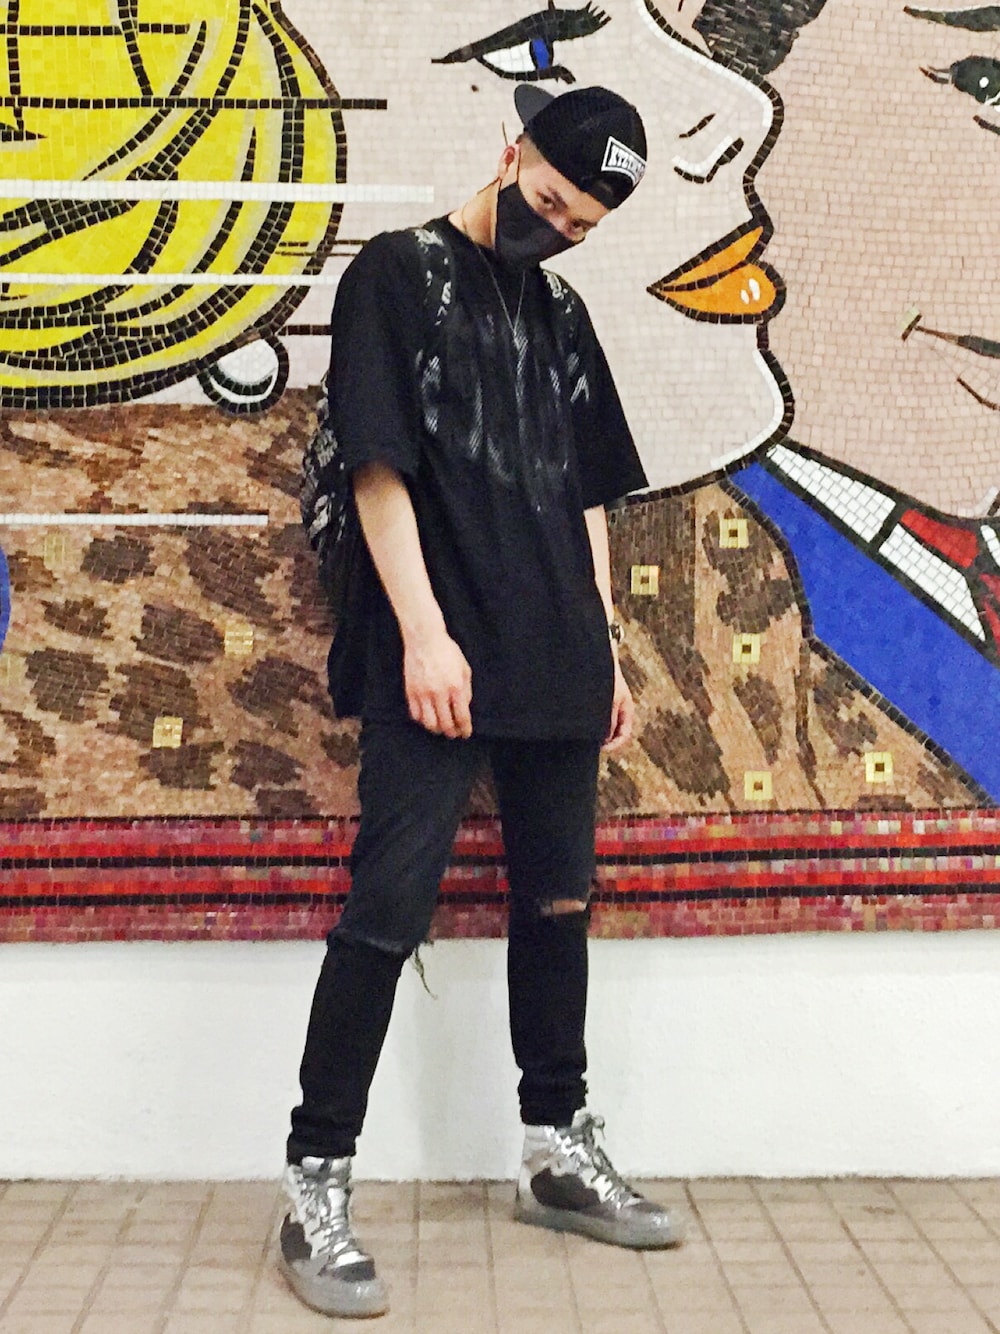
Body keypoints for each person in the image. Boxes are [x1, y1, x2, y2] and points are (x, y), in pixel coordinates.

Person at [280, 84, 684, 1320]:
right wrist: (422, 634)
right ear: (510, 152)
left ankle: (555, 1145)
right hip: (438, 653)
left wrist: (605, 649)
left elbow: (585, 492)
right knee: (387, 909)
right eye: (548, 200)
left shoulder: (559, 312)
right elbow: (376, 469)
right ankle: (314, 1179)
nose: (554, 229)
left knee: (558, 901)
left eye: (579, 225)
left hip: (555, 648)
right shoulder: (395, 277)